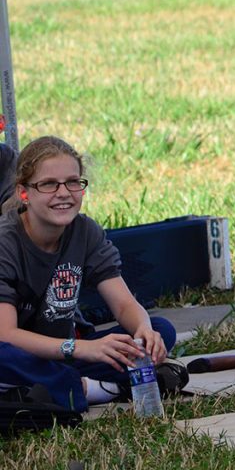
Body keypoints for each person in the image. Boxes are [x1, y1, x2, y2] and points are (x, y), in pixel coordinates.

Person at [0, 136, 180, 412]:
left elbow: (122, 304)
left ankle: (52, 389)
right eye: (49, 184)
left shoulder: (85, 231)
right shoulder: (5, 241)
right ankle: (91, 389)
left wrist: (142, 330)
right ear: (24, 193)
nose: (64, 193)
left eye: (73, 182)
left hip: (62, 355)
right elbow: (7, 334)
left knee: (159, 330)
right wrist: (80, 349)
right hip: (18, 354)